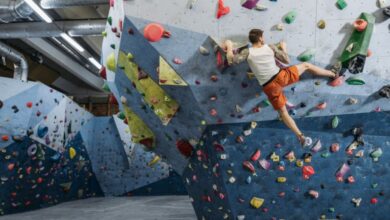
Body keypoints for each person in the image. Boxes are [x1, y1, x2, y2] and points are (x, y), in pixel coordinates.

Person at [223, 29, 339, 145]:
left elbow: (231, 60)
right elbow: (286, 60)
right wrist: (283, 47)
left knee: (283, 113)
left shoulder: (247, 52)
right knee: (306, 65)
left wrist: (229, 46)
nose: (264, 39)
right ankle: (333, 74)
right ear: (260, 38)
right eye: (263, 37)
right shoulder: (270, 47)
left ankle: (301, 136)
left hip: (269, 86)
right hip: (281, 77)